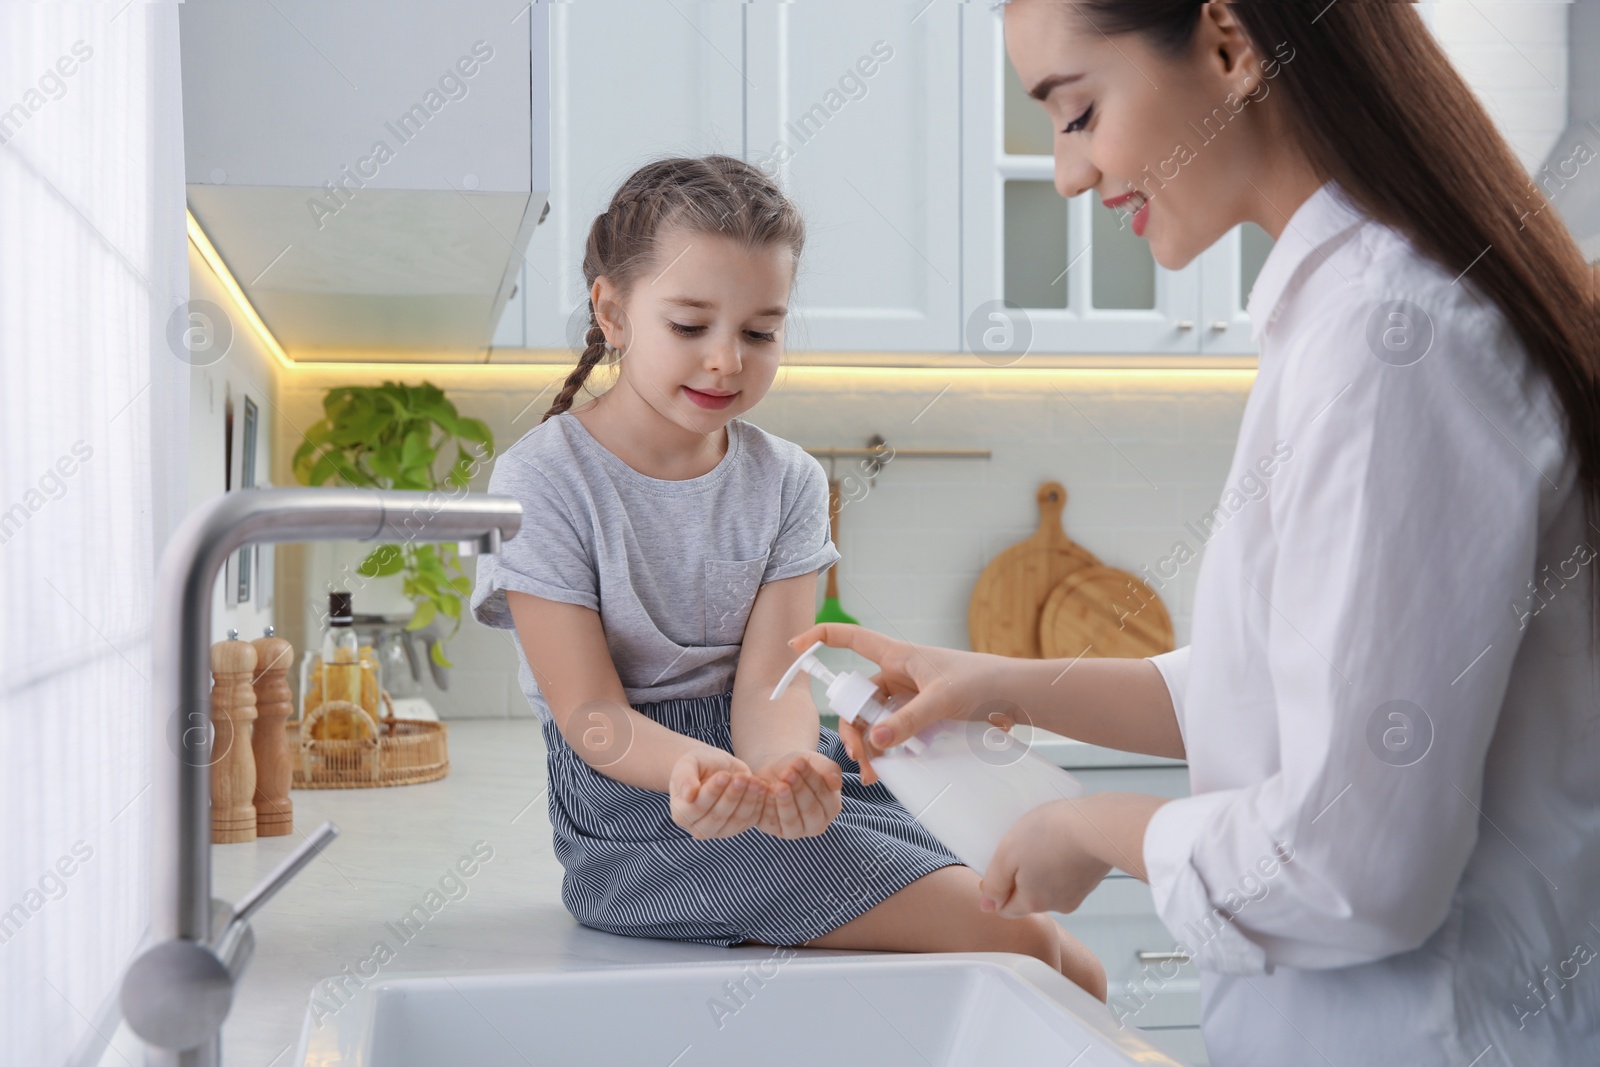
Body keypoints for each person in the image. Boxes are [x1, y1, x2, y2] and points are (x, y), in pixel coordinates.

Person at [795, 2, 1600, 1064]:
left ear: (1227, 44)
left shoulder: (1391, 344)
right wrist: (994, 681)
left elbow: (1355, 867)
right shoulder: (1354, 316)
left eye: (1077, 111)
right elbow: (1269, 685)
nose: (1068, 173)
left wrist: (1092, 830)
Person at [469, 155, 1106, 998]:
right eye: (690, 326)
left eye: (760, 332)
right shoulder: (543, 480)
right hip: (641, 815)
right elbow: (591, 716)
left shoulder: (789, 481)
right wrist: (704, 773)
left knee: (1074, 959)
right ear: (613, 311)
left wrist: (782, 772)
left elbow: (772, 686)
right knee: (1019, 939)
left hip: (761, 780)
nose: (727, 360)